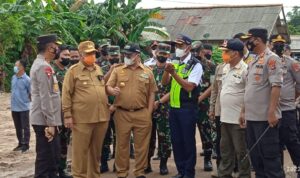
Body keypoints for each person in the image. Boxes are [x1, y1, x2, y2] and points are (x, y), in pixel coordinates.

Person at [106, 43, 157, 178]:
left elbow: (152, 92)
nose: (126, 57)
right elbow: (108, 86)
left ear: (137, 55)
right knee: (122, 146)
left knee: (142, 146)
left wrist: (149, 111)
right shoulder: (118, 70)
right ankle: (122, 173)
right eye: (125, 55)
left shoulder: (147, 71)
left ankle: (139, 172)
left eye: (129, 55)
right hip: (122, 113)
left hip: (142, 113)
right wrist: (112, 90)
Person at [240, 28, 285, 178]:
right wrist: (243, 111)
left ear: (257, 40)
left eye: (249, 40)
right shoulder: (253, 60)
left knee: (270, 160)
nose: (247, 43)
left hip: (265, 119)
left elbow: (276, 86)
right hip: (252, 119)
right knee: (257, 159)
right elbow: (249, 88)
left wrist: (272, 112)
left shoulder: (271, 58)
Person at [62, 41, 110, 178]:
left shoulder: (98, 69)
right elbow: (66, 94)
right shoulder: (73, 72)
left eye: (93, 53)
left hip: (101, 118)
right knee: (80, 153)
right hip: (82, 119)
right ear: (81, 55)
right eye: (89, 53)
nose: (92, 56)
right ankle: (79, 176)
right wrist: (67, 115)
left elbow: (102, 89)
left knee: (96, 153)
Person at [162, 34, 203, 178]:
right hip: (173, 108)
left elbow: (190, 87)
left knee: (187, 141)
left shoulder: (195, 64)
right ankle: (181, 171)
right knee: (176, 141)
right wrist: (167, 72)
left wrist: (174, 73)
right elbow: (165, 83)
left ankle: (188, 173)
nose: (177, 49)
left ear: (188, 47)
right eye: (176, 46)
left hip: (187, 108)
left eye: (180, 46)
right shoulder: (174, 60)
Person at [30, 34, 62, 177]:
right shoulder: (43, 67)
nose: (58, 49)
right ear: (50, 48)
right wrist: (51, 123)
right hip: (45, 121)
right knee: (47, 160)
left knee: (51, 158)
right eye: (56, 46)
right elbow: (45, 96)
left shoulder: (42, 64)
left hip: (45, 119)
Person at [218, 38, 251, 178]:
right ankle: (224, 175)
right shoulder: (226, 67)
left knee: (241, 151)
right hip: (225, 118)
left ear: (236, 53)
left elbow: (249, 94)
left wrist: (244, 113)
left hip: (238, 119)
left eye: (226, 51)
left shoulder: (246, 69)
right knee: (225, 150)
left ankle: (244, 175)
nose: (223, 54)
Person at [271, 34, 300, 177]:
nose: (278, 46)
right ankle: (278, 173)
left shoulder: (291, 63)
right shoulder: (267, 62)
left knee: (292, 142)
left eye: (281, 44)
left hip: (287, 110)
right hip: (271, 110)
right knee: (275, 144)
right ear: (270, 44)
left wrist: (291, 99)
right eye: (275, 43)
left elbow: (299, 84)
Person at [144, 43, 172, 175]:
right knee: (147, 137)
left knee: (164, 137)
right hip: (149, 108)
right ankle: (147, 163)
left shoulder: (172, 69)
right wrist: (151, 103)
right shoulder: (148, 70)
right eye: (160, 53)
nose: (162, 56)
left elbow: (173, 91)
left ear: (168, 55)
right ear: (156, 54)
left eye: (165, 54)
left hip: (165, 109)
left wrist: (159, 101)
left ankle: (163, 164)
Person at [192, 41, 216, 171]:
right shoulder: (188, 65)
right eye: (193, 51)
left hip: (204, 104)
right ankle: (190, 161)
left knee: (206, 132)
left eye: (197, 51)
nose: (195, 54)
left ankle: (207, 159)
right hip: (189, 104)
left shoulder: (211, 66)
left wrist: (200, 98)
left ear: (202, 51)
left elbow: (213, 86)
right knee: (188, 133)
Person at [52, 45, 73, 178]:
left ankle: (62, 169)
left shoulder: (67, 71)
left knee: (64, 141)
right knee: (53, 142)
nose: (67, 58)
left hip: (65, 113)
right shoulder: (50, 70)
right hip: (53, 113)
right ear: (58, 55)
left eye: (69, 56)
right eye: (65, 55)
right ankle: (53, 169)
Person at [100, 45, 121, 173]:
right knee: (105, 137)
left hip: (119, 108)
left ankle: (117, 165)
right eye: (112, 56)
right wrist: (111, 70)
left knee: (119, 137)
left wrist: (116, 105)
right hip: (105, 108)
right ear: (107, 56)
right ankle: (103, 163)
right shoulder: (100, 69)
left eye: (116, 56)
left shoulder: (124, 69)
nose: (114, 58)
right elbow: (100, 85)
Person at [209, 61, 225, 178]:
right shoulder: (219, 67)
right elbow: (214, 89)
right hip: (220, 111)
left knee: (236, 143)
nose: (225, 54)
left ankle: (236, 169)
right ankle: (220, 169)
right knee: (220, 141)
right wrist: (212, 108)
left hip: (235, 113)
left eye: (227, 51)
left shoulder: (243, 67)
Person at [11, 59, 31, 153]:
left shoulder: (27, 79)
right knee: (17, 127)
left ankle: (26, 145)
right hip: (14, 107)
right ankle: (20, 143)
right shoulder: (13, 78)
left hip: (24, 107)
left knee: (25, 127)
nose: (15, 67)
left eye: (16, 65)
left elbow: (31, 93)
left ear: (22, 67)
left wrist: (26, 102)